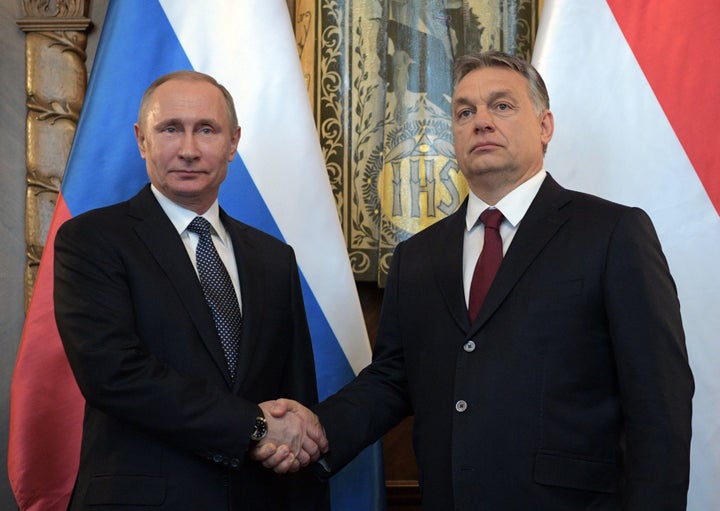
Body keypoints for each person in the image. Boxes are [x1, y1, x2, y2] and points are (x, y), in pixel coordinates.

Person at [257, 51, 694, 510]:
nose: (481, 121)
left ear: (545, 126)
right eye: (465, 112)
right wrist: (319, 428)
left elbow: (660, 400)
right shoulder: (417, 257)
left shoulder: (612, 233)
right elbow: (393, 379)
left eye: (502, 106)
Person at [54, 70, 328, 510]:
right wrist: (253, 427)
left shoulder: (274, 258)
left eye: (206, 129)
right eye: (170, 129)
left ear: (233, 142)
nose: (188, 149)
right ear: (142, 140)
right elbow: (114, 374)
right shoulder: (91, 241)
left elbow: (295, 397)